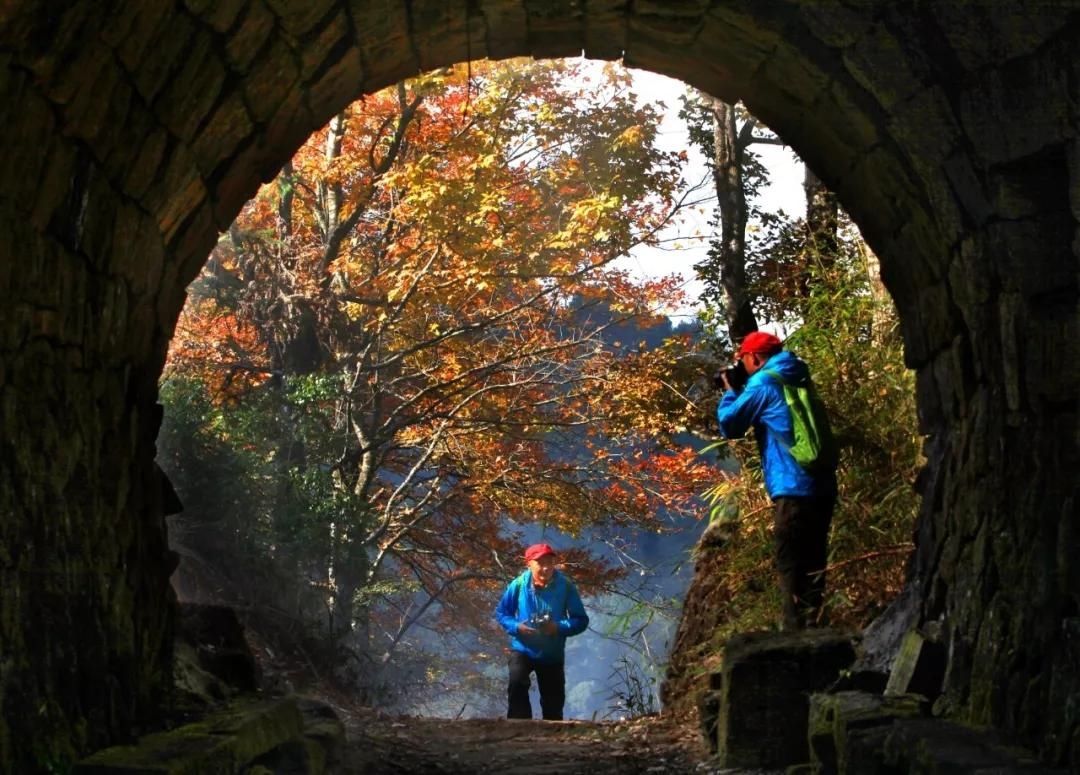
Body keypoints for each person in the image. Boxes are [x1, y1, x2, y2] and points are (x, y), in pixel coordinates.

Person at [716, 331, 838, 630]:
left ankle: (795, 636)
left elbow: (730, 425)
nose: (741, 365)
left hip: (792, 487)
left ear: (754, 358)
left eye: (742, 359)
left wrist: (730, 390)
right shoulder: (797, 374)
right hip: (822, 484)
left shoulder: (763, 382)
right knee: (814, 561)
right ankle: (815, 625)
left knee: (791, 563)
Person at [494, 543, 589, 720]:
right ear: (528, 563)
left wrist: (558, 627)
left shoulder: (565, 586)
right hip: (522, 647)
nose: (546, 568)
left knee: (553, 703)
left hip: (551, 652)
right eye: (540, 563)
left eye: (550, 562)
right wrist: (516, 627)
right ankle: (519, 730)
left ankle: (553, 739)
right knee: (516, 683)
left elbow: (581, 620)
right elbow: (502, 613)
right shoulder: (519, 585)